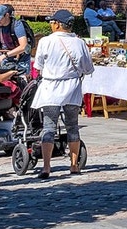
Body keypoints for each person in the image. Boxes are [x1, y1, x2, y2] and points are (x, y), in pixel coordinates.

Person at [29, 10, 94, 178]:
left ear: (57, 24)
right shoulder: (79, 43)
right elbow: (88, 68)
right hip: (71, 87)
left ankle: (46, 167)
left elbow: (38, 66)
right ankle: (73, 165)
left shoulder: (46, 41)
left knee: (49, 127)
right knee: (72, 126)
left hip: (51, 87)